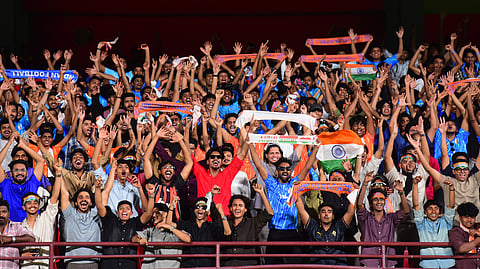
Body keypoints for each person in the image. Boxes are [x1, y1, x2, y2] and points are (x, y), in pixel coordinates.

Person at [249, 137, 319, 264]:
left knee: (296, 265)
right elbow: (259, 165)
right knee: (273, 266)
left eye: (288, 169)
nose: (285, 170)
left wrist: (316, 148)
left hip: (292, 232)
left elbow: (307, 167)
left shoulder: (294, 184)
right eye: (282, 168)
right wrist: (249, 144)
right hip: (275, 232)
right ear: (277, 171)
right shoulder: (271, 183)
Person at [95, 163, 155, 269]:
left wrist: (151, 196)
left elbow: (149, 213)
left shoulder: (134, 222)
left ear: (132, 213)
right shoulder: (110, 220)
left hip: (129, 264)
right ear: (117, 212)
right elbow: (100, 205)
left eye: (127, 209)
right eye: (121, 208)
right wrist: (97, 189)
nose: (124, 210)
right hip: (108, 264)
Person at [356, 172, 409, 267]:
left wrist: (401, 192)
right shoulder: (365, 218)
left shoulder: (391, 218)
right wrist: (364, 184)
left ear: (385, 202)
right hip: (369, 263)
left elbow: (406, 211)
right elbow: (360, 205)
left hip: (388, 262)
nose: (379, 202)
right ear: (371, 203)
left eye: (381, 199)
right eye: (375, 199)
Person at [296, 186, 356, 265]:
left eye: (329, 211)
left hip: (337, 266)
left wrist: (355, 192)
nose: (326, 214)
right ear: (319, 216)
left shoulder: (339, 226)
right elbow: (301, 210)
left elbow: (350, 212)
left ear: (333, 216)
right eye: (323, 211)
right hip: (317, 265)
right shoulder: (312, 226)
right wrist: (295, 190)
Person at [172, 188, 231, 268]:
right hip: (189, 266)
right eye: (198, 207)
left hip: (208, 266)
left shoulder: (213, 227)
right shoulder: (188, 225)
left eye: (203, 207)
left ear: (208, 212)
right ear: (194, 210)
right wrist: (171, 207)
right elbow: (170, 224)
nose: (200, 209)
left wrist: (222, 215)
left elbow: (227, 233)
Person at [20, 158, 62, 269]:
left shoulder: (47, 218)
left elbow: (54, 197)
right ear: (24, 207)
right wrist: (21, 255)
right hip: (27, 267)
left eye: (35, 203)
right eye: (29, 203)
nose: (32, 205)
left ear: (39, 206)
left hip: (45, 265)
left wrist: (58, 174)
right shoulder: (18, 226)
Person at [132, 198, 192, 269]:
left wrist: (170, 227)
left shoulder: (175, 231)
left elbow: (188, 239)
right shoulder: (150, 230)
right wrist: (139, 240)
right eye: (153, 213)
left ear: (165, 214)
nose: (154, 215)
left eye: (157, 212)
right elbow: (134, 238)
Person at [223, 183, 274, 266]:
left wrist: (261, 193)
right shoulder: (225, 222)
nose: (237, 208)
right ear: (231, 208)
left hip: (248, 264)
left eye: (240, 205)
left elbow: (269, 214)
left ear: (245, 209)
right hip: (228, 265)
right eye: (235, 205)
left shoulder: (252, 223)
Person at [60, 170, 101, 269]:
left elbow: (104, 196)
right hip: (72, 262)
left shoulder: (96, 213)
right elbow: (65, 195)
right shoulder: (70, 213)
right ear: (76, 202)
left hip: (93, 261)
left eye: (87, 197)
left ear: (91, 202)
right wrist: (58, 174)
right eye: (80, 197)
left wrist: (98, 188)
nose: (83, 199)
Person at [413, 173, 456, 268]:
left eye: (436, 208)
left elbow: (451, 206)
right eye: (430, 208)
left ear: (440, 210)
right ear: (425, 212)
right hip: (428, 264)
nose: (433, 211)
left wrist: (452, 188)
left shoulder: (446, 222)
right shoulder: (421, 223)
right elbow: (416, 205)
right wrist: (415, 184)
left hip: (448, 264)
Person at [0, 199, 35, 269]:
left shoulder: (16, 227)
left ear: (9, 213)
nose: (1, 215)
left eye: (4, 212)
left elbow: (31, 238)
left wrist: (10, 239)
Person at [449, 202, 480, 269]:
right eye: (466, 217)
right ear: (460, 218)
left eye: (472, 217)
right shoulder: (456, 231)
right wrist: (478, 240)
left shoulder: (478, 227)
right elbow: (461, 248)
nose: (469, 220)